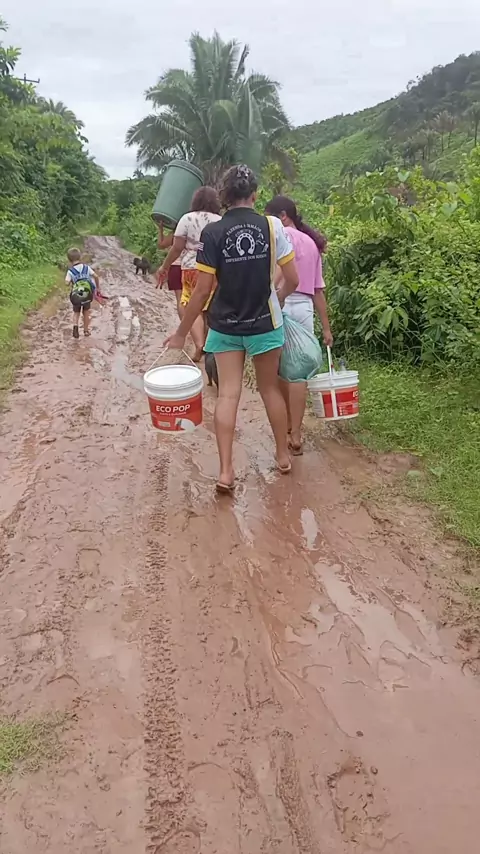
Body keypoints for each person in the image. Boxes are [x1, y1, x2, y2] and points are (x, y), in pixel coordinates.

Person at [164, 164, 300, 493]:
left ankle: (226, 472)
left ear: (225, 196)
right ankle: (282, 456)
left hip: (225, 325)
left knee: (227, 394)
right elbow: (293, 279)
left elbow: (201, 291)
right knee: (270, 390)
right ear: (255, 195)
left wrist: (181, 333)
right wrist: (278, 297)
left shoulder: (213, 233)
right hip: (265, 322)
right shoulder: (272, 226)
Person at [265, 195, 333, 455]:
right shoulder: (311, 243)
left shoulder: (279, 236)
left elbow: (278, 274)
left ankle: (285, 426)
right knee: (298, 372)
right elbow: (318, 291)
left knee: (279, 369)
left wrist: (268, 296)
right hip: (304, 307)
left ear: (283, 216)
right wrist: (326, 328)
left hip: (280, 303)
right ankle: (296, 431)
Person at [157, 187, 222, 361]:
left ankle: (200, 344)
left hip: (191, 268)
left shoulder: (187, 218)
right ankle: (210, 347)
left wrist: (164, 266)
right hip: (215, 270)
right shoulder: (220, 221)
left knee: (190, 305)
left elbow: (177, 248)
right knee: (210, 308)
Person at [65, 248, 100, 339]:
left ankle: (75, 327)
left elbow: (66, 283)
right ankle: (86, 330)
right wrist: (97, 288)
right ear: (80, 257)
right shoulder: (86, 268)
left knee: (76, 312)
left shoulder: (70, 271)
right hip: (87, 294)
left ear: (69, 259)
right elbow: (96, 276)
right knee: (86, 312)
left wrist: (71, 281)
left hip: (76, 295)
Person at [156, 224, 183, 318]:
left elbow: (161, 244)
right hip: (193, 267)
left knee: (180, 299)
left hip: (176, 267)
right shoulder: (199, 230)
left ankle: (185, 326)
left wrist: (160, 229)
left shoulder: (177, 232)